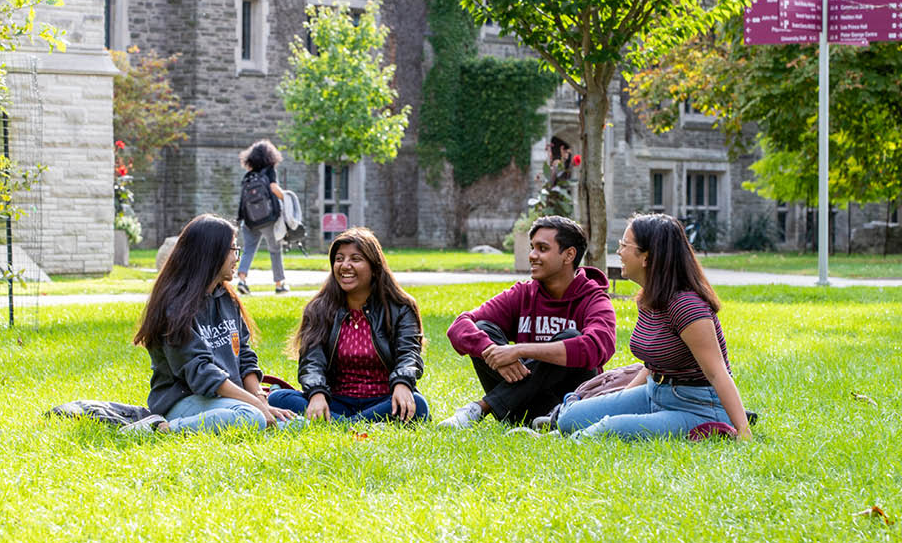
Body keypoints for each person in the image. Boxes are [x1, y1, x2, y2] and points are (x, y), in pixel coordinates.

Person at [555, 212, 753, 440]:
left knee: (605, 430)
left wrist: (743, 431)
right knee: (569, 419)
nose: (619, 251)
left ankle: (719, 427)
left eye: (624, 245)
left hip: (697, 407)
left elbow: (717, 373)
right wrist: (620, 400)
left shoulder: (686, 306)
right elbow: (652, 363)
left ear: (646, 257)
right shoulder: (650, 298)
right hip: (655, 392)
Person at [438, 216, 617, 428]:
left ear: (569, 255)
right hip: (523, 405)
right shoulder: (522, 293)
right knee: (482, 330)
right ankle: (530, 418)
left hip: (571, 405)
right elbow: (459, 327)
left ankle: (481, 408)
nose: (532, 255)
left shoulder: (593, 298)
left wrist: (520, 351)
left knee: (571, 338)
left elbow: (598, 347)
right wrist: (490, 348)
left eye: (542, 248)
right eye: (532, 247)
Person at [127, 213, 297, 434]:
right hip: (185, 400)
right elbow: (201, 373)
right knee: (251, 417)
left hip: (228, 399)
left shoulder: (226, 298)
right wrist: (255, 406)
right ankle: (160, 428)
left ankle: (251, 413)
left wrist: (259, 398)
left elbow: (244, 355)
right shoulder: (175, 307)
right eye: (233, 249)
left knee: (293, 423)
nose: (237, 257)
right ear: (211, 253)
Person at [268, 227, 430, 423]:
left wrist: (403, 384)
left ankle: (340, 425)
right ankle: (358, 425)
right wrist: (317, 394)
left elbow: (409, 355)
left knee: (418, 405)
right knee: (278, 398)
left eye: (355, 259)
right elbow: (312, 361)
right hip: (335, 400)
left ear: (374, 266)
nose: (345, 265)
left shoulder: (401, 308)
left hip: (384, 398)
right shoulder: (318, 308)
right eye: (339, 259)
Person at [236, 139, 287, 294]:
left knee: (248, 250)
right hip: (267, 219)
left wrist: (239, 219)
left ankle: (242, 280)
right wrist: (287, 198)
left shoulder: (248, 175)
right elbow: (273, 187)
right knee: (275, 250)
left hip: (250, 220)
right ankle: (279, 284)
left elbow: (242, 200)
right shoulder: (270, 170)